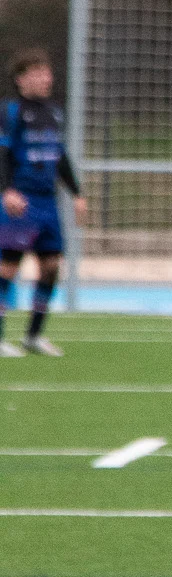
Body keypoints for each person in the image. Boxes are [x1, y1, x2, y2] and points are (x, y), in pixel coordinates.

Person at [0, 49, 87, 359]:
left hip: (48, 203)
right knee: (8, 267)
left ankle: (33, 336)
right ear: (21, 79)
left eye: (46, 72)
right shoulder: (11, 111)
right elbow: (3, 153)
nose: (45, 78)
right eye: (37, 73)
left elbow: (59, 155)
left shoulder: (54, 112)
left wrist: (77, 193)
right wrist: (7, 190)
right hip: (22, 201)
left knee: (51, 266)